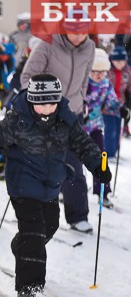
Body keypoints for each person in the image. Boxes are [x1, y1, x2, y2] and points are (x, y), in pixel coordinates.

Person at [0, 74, 108, 297]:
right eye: (41, 103)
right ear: (31, 100)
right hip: (22, 185)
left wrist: (98, 165)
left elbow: (83, 144)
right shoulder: (18, 120)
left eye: (51, 103)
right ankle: (28, 289)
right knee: (34, 234)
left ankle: (22, 247)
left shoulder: (65, 120)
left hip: (50, 185)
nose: (46, 108)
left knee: (50, 226)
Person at [21, 18, 96, 233]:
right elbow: (27, 78)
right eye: (74, 32)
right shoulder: (47, 45)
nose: (79, 37)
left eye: (83, 32)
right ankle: (38, 215)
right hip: (47, 114)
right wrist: (41, 103)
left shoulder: (89, 47)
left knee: (74, 166)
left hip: (73, 113)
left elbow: (84, 78)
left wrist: (81, 100)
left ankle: (78, 215)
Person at [85, 49, 120, 208]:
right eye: (95, 72)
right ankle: (66, 189)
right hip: (78, 126)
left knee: (100, 158)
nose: (99, 75)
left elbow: (112, 103)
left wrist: (120, 108)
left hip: (95, 126)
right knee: (71, 160)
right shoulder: (83, 82)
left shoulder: (106, 84)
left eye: (103, 72)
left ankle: (103, 191)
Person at [106, 47, 131, 146]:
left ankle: (115, 148)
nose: (120, 63)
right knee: (110, 128)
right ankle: (108, 150)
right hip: (107, 105)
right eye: (117, 60)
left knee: (118, 128)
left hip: (121, 104)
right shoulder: (107, 70)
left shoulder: (128, 71)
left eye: (123, 61)